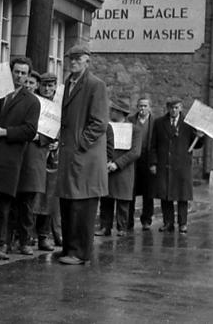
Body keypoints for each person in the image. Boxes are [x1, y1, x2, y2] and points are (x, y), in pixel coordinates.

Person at [55, 44, 108, 265]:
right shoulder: (68, 83)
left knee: (82, 206)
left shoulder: (96, 85)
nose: (73, 61)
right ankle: (69, 248)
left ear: (87, 60)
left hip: (85, 158)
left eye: (78, 58)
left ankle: (79, 252)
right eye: (71, 58)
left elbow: (99, 123)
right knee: (68, 204)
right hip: (71, 156)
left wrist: (80, 144)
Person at [0, 57, 40, 260]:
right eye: (16, 72)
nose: (19, 76)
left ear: (28, 76)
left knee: (3, 207)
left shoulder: (32, 101)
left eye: (24, 73)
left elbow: (29, 129)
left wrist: (5, 132)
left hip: (9, 158)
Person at [7, 70, 50, 255]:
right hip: (16, 155)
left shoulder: (44, 106)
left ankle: (25, 239)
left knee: (27, 203)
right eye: (27, 81)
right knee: (11, 202)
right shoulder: (14, 101)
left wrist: (39, 137)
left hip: (33, 158)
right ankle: (10, 239)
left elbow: (52, 132)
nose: (29, 85)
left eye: (33, 83)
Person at [149, 97, 204, 234]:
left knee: (182, 196)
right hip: (164, 165)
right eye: (171, 108)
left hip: (182, 165)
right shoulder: (159, 123)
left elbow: (196, 145)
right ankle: (168, 223)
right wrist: (153, 163)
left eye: (176, 107)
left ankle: (182, 223)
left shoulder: (189, 124)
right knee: (165, 196)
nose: (174, 110)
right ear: (167, 108)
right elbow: (153, 145)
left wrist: (200, 136)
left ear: (181, 108)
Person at [95, 100, 142, 237]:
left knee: (123, 200)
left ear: (121, 113)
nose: (110, 113)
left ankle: (122, 227)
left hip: (124, 169)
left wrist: (117, 164)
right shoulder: (106, 127)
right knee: (106, 199)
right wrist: (106, 162)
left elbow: (135, 152)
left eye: (113, 110)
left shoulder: (135, 129)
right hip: (107, 167)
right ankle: (105, 226)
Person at [34, 72, 62, 251]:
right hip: (35, 150)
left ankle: (43, 235)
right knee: (32, 193)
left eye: (51, 86)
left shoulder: (60, 108)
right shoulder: (35, 103)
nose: (47, 89)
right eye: (44, 85)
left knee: (48, 196)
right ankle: (27, 234)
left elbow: (64, 128)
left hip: (52, 157)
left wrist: (58, 143)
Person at [128, 97, 155, 230]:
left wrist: (155, 163)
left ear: (149, 107)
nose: (142, 109)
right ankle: (129, 220)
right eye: (140, 106)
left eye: (145, 106)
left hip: (148, 160)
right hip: (133, 161)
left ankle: (146, 220)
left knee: (148, 192)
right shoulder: (131, 120)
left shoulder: (154, 122)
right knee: (130, 191)